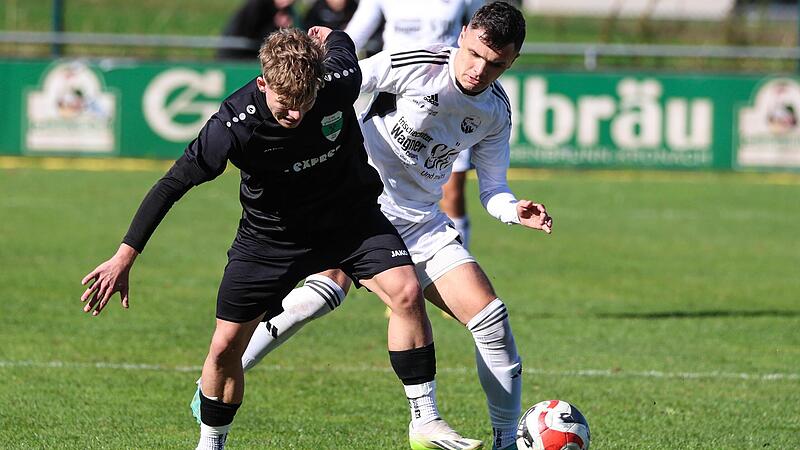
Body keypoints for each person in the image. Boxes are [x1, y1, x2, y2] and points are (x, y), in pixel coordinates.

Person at [80, 27, 481, 450]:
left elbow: (341, 44)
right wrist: (126, 255)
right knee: (224, 348)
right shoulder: (232, 126)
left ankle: (425, 421)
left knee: (405, 291)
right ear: (262, 84)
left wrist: (331, 35)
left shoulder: (337, 81)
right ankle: (211, 442)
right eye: (284, 104)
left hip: (349, 219)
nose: (294, 115)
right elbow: (172, 185)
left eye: (303, 103)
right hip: (271, 237)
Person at [241, 3, 551, 450]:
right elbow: (339, 88)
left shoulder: (496, 112)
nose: (480, 70)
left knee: (492, 321)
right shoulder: (414, 63)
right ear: (463, 35)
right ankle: (226, 370)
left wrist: (513, 209)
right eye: (475, 54)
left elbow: (493, 188)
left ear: (512, 62)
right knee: (319, 297)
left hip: (421, 222)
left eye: (496, 64)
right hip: (358, 204)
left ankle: (504, 443)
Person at [345, 0, 484, 246]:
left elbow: (486, 31)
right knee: (370, 190)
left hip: (450, 104)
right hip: (396, 103)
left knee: (452, 194)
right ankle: (370, 259)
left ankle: (458, 260)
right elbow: (356, 35)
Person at [217, 0, 297, 60]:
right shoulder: (259, 6)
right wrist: (276, 25)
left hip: (245, 52)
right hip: (237, 55)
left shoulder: (279, 9)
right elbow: (257, 36)